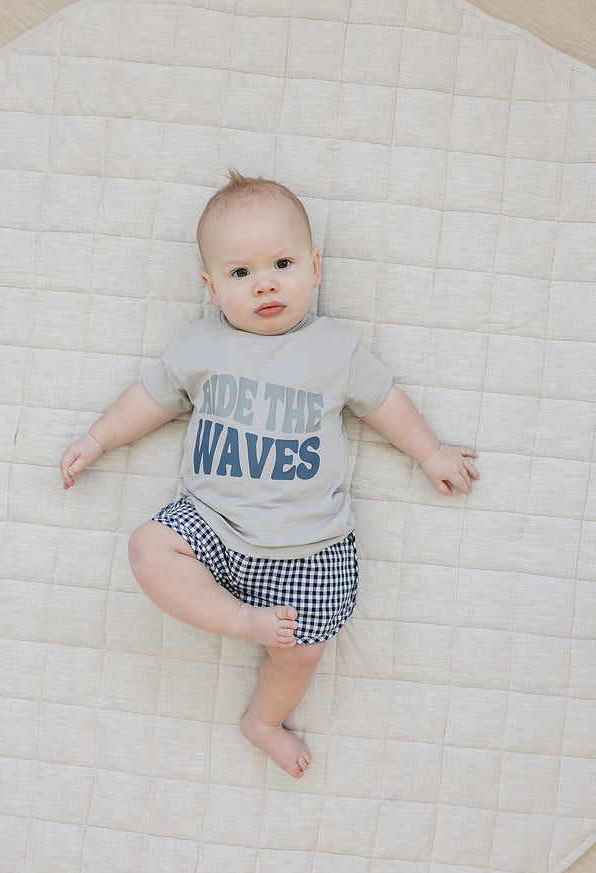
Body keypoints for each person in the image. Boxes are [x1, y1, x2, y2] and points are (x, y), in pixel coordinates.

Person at [60, 172, 479, 778]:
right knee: (147, 546)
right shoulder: (200, 346)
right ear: (211, 288)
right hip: (212, 522)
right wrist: (97, 438)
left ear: (315, 266)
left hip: (309, 544)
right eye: (240, 273)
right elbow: (149, 399)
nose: (265, 284)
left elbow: (384, 402)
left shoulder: (335, 347)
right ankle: (238, 619)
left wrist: (431, 452)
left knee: (303, 649)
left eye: (283, 264)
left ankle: (263, 721)